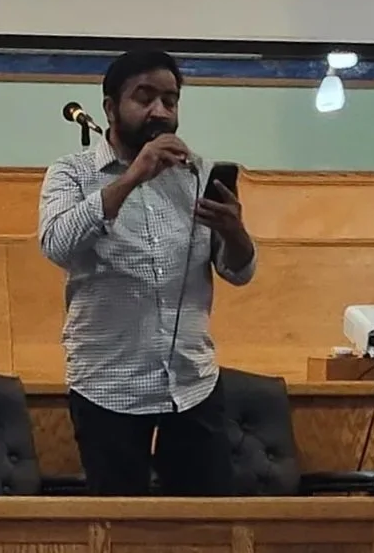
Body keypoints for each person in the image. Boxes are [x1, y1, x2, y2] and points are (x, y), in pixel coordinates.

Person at [37, 49, 255, 495]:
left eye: (170, 100)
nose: (160, 111)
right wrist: (133, 176)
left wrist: (235, 232)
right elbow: (58, 245)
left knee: (205, 531)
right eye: (145, 97)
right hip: (107, 386)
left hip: (192, 384)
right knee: (121, 531)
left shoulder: (196, 174)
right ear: (111, 107)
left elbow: (239, 271)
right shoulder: (71, 174)